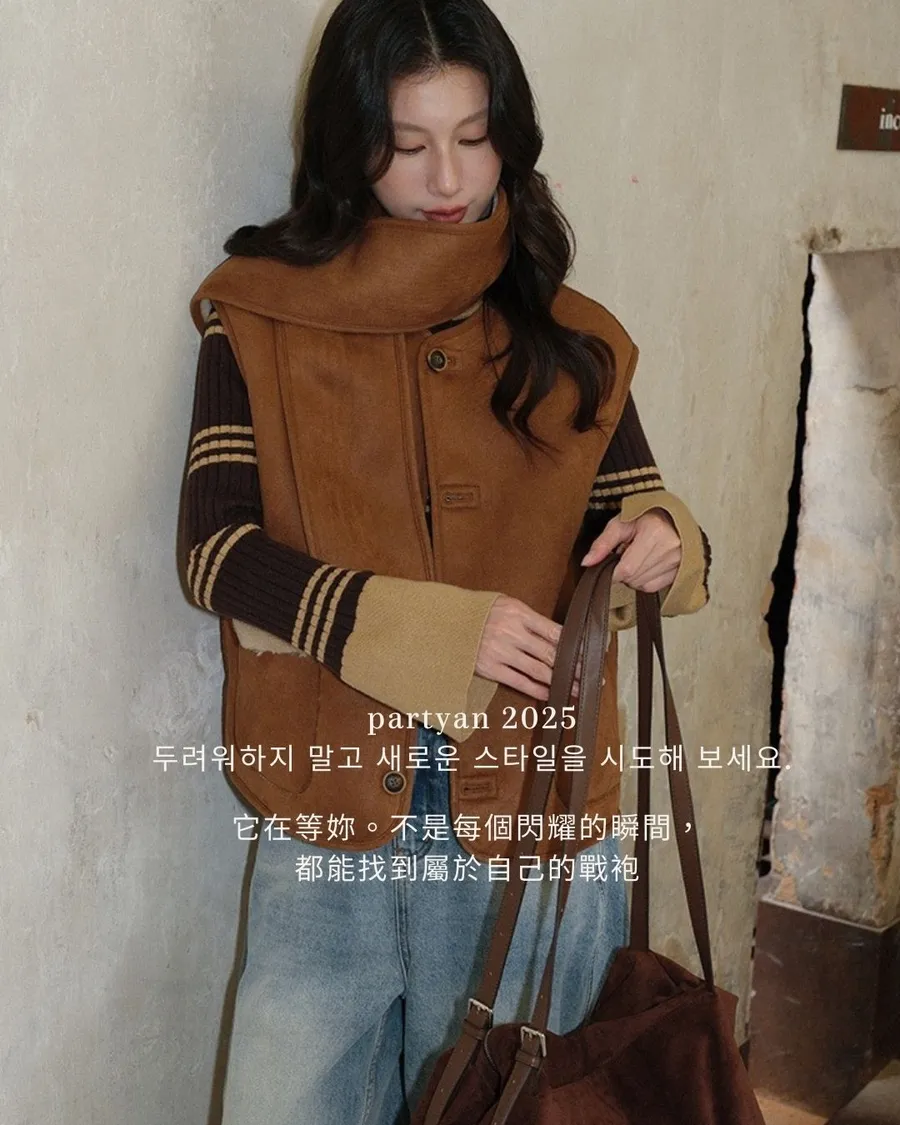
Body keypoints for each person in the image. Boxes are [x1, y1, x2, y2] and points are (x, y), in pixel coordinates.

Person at [177, 1, 711, 1122]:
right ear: (349, 145)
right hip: (328, 803)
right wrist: (421, 630)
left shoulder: (573, 334)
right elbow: (214, 549)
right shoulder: (259, 315)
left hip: (535, 810)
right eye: (408, 144)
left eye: (474, 136)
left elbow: (635, 505)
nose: (449, 177)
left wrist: (667, 538)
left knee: (524, 1106)